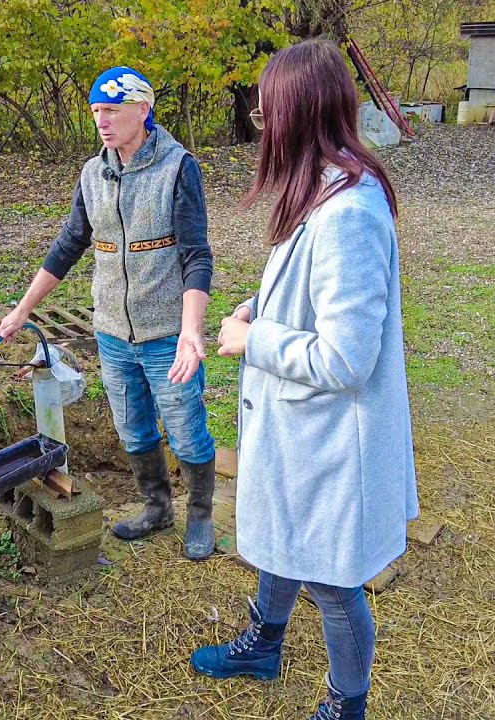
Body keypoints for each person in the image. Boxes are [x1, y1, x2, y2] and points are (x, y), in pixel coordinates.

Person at [187, 40, 419, 719]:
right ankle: (264, 643)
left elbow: (347, 358)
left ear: (299, 113)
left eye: (267, 113)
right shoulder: (321, 187)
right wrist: (257, 307)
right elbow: (309, 292)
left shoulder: (349, 212)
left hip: (331, 439)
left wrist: (253, 340)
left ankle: (347, 705)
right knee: (283, 532)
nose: (261, 127)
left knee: (333, 580)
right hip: (300, 429)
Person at [0, 66, 218, 560]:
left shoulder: (178, 168)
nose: (102, 121)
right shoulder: (92, 174)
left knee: (185, 428)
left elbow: (196, 256)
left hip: (166, 333)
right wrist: (22, 310)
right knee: (133, 428)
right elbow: (69, 244)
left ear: (143, 109)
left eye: (113, 110)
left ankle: (201, 514)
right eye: (97, 111)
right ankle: (156, 509)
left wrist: (190, 331)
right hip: (113, 334)